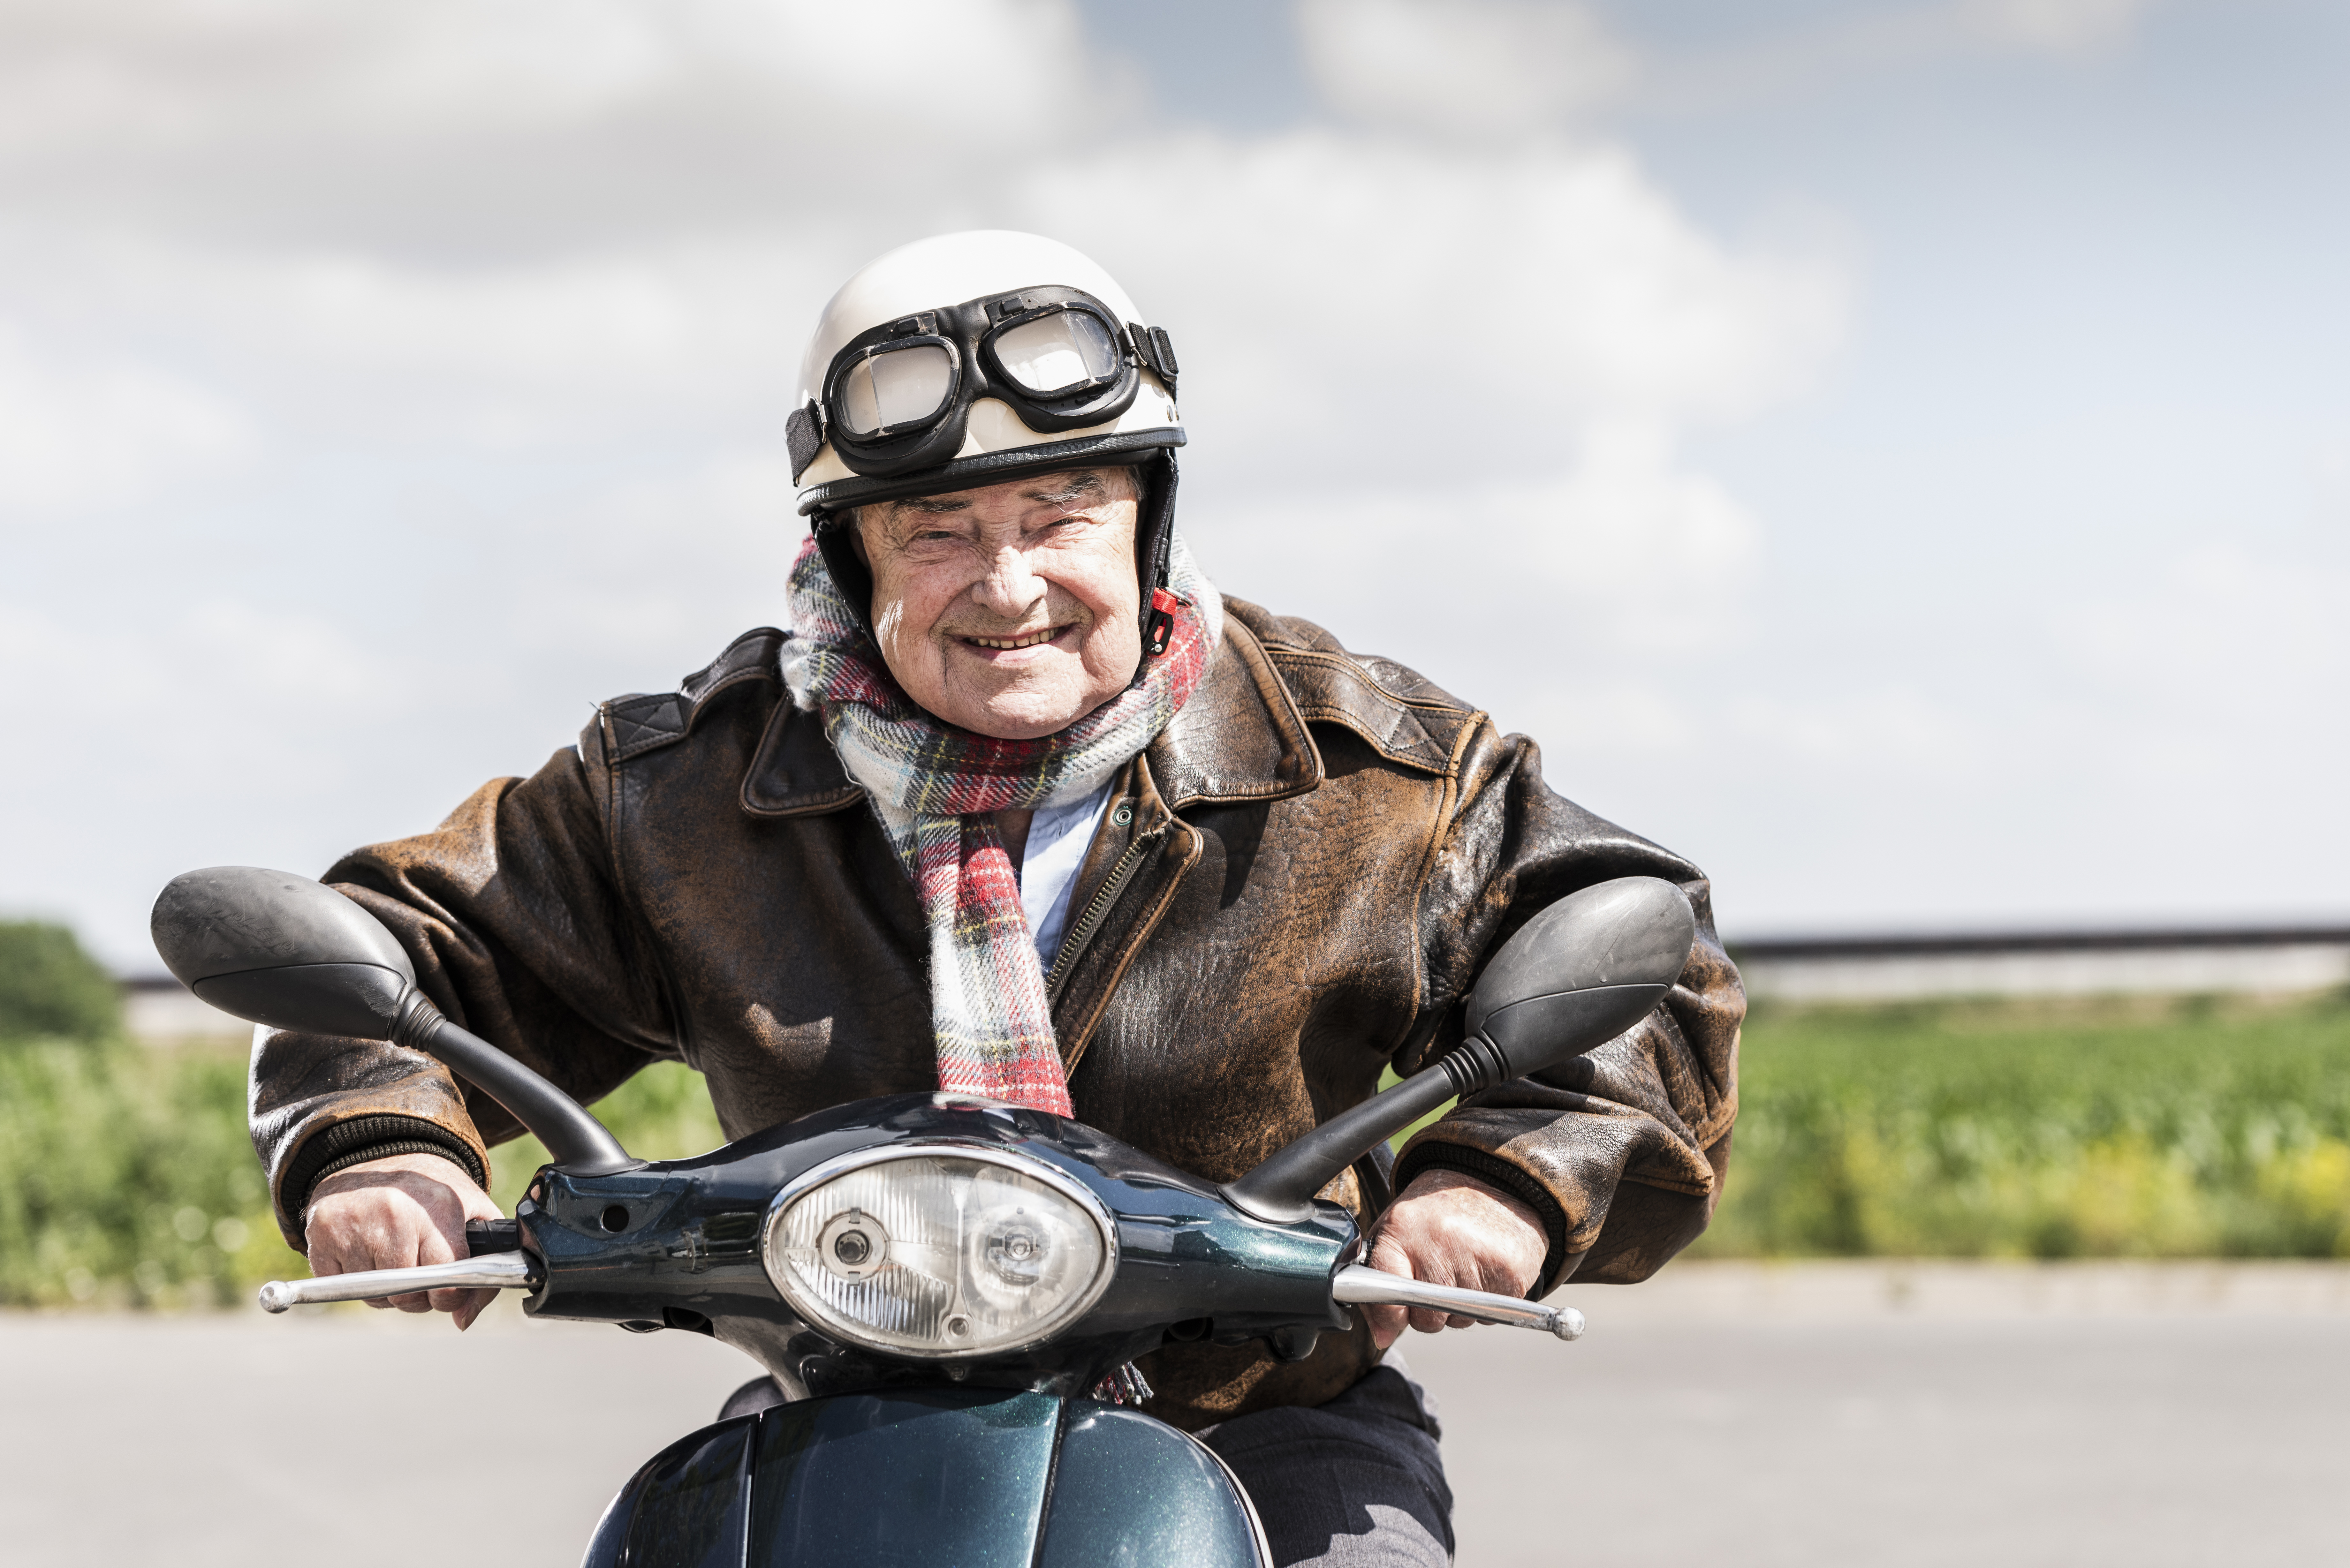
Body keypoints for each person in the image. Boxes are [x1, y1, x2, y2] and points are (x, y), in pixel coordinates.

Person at [252, 231, 1743, 1566]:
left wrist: (1503, 1178)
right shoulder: (678, 788)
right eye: (937, 530)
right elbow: (404, 950)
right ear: (845, 552)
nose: (1009, 580)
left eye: (1061, 510)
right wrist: (383, 1145)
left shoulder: (1374, 772)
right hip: (850, 1422)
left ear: (1147, 521)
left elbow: (1646, 956)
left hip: (1264, 1423)